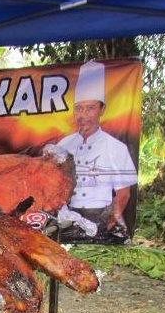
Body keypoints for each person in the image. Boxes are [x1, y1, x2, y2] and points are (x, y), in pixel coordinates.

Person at [46, 61, 138, 243]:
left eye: (90, 108)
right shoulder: (65, 144)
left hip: (102, 216)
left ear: (102, 109)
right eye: (79, 108)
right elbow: (54, 186)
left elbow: (124, 194)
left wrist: (107, 224)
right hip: (67, 219)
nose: (83, 115)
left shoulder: (116, 147)